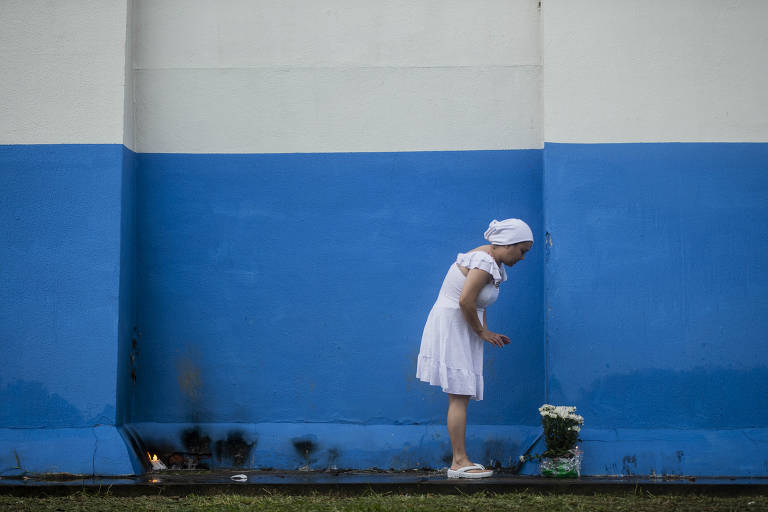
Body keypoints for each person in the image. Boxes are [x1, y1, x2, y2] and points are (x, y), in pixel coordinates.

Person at [416, 218, 533, 479]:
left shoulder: (490, 260)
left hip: (463, 326)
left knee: (461, 394)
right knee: (459, 394)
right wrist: (481, 331)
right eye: (522, 250)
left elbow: (478, 305)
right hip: (455, 325)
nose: (523, 258)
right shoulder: (483, 261)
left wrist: (485, 333)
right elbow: (465, 301)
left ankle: (461, 459)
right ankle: (458, 462)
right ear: (507, 244)